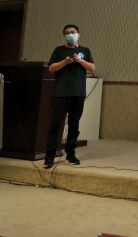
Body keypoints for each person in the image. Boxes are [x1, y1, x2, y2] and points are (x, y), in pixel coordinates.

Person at [44, 24, 95, 168]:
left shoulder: (85, 51)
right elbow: (51, 68)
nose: (70, 34)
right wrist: (65, 61)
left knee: (74, 125)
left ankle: (71, 154)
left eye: (72, 32)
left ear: (78, 34)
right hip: (61, 93)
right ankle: (50, 156)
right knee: (55, 125)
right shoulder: (59, 50)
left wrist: (80, 60)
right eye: (67, 33)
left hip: (78, 93)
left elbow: (92, 68)